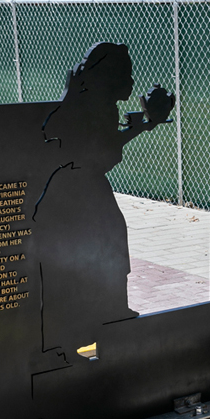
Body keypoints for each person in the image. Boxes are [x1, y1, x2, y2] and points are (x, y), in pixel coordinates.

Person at [34, 42, 173, 362]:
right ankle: (89, 329)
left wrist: (143, 125)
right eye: (125, 74)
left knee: (108, 247)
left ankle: (106, 320)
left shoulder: (93, 101)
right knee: (93, 255)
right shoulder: (90, 104)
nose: (131, 81)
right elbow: (98, 154)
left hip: (79, 189)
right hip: (76, 192)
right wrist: (142, 126)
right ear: (108, 76)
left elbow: (101, 148)